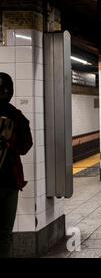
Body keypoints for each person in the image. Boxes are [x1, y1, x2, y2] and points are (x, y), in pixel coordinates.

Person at [0, 72, 33, 257]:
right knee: (5, 233)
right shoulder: (16, 115)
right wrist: (11, 141)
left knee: (5, 233)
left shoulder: (16, 115)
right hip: (10, 182)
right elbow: (26, 146)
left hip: (10, 183)